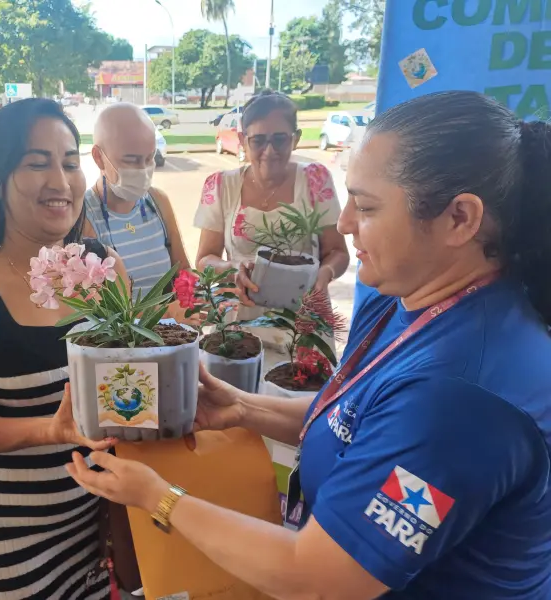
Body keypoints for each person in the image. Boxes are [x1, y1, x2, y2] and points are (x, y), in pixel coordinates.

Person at [65, 91, 551, 598]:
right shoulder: (406, 301)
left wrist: (159, 498)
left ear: (459, 219)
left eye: (365, 206)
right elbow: (352, 419)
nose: (341, 224)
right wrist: (242, 408)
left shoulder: (461, 399)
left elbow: (318, 578)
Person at [0, 98, 126, 600]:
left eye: (70, 162)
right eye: (37, 163)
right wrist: (50, 430)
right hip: (8, 537)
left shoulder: (102, 268)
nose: (61, 180)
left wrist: (116, 509)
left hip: (95, 515)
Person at [194, 90, 349, 312]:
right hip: (241, 314)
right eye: (258, 141)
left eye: (280, 139)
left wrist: (325, 273)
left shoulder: (315, 179)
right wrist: (232, 268)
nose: (269, 151)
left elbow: (338, 252)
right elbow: (204, 260)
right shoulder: (221, 186)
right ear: (242, 141)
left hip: (303, 317)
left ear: (295, 139)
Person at [83, 103, 191, 316]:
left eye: (149, 158)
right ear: (98, 157)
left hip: (173, 338)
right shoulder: (84, 215)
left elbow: (183, 270)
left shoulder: (157, 201)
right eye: (131, 160)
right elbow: (100, 309)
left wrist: (194, 300)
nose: (143, 170)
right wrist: (166, 314)